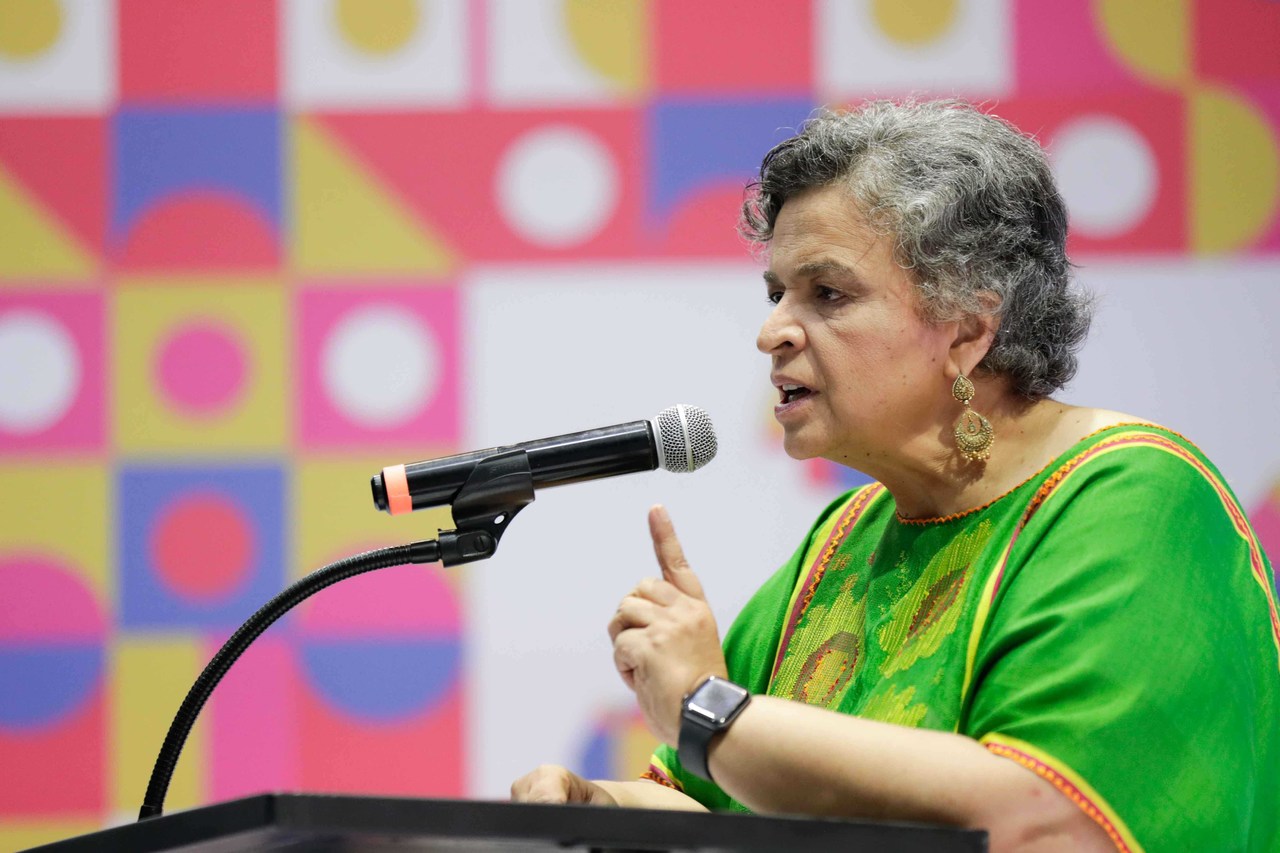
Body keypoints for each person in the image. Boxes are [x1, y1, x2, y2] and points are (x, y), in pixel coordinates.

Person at [510, 100, 1280, 851]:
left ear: (968, 329)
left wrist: (705, 709)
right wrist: (604, 810)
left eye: (828, 293)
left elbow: (1046, 817)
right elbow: (719, 800)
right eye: (777, 292)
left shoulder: (1135, 497)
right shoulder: (843, 538)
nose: (771, 331)